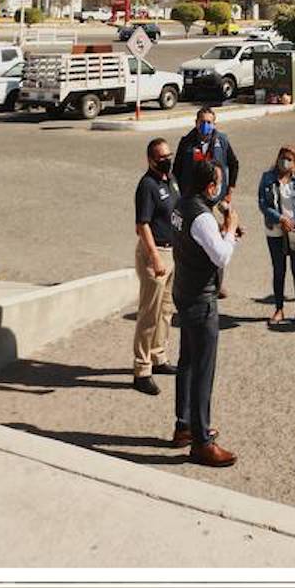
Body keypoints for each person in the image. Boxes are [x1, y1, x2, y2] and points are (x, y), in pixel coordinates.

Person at [170, 155, 242, 466]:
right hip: (201, 298)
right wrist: (230, 229)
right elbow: (222, 256)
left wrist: (222, 228)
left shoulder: (179, 205)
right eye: (218, 181)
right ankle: (201, 441)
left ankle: (184, 425)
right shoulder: (201, 217)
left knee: (187, 361)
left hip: (184, 290)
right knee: (203, 369)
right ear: (210, 185)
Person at [174, 106, 239, 298]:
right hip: (194, 200)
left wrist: (229, 191)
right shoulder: (186, 143)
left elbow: (234, 164)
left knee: (218, 240)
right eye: (202, 122)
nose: (206, 125)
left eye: (209, 122)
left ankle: (217, 283)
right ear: (196, 123)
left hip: (216, 199)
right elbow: (176, 170)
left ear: (214, 124)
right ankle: (197, 278)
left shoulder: (222, 141)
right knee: (198, 241)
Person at [132, 137, 177, 395]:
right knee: (149, 314)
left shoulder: (170, 180)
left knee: (165, 310)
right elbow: (142, 224)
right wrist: (155, 257)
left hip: (173, 253)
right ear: (150, 159)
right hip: (155, 254)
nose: (167, 160)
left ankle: (159, 356)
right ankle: (141, 369)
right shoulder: (146, 185)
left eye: (168, 155)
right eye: (162, 157)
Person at [257, 143, 295, 326]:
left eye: (289, 159)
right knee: (279, 270)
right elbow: (263, 204)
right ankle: (279, 308)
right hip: (275, 230)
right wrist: (280, 219)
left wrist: (294, 221)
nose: (285, 162)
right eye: (282, 158)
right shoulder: (267, 178)